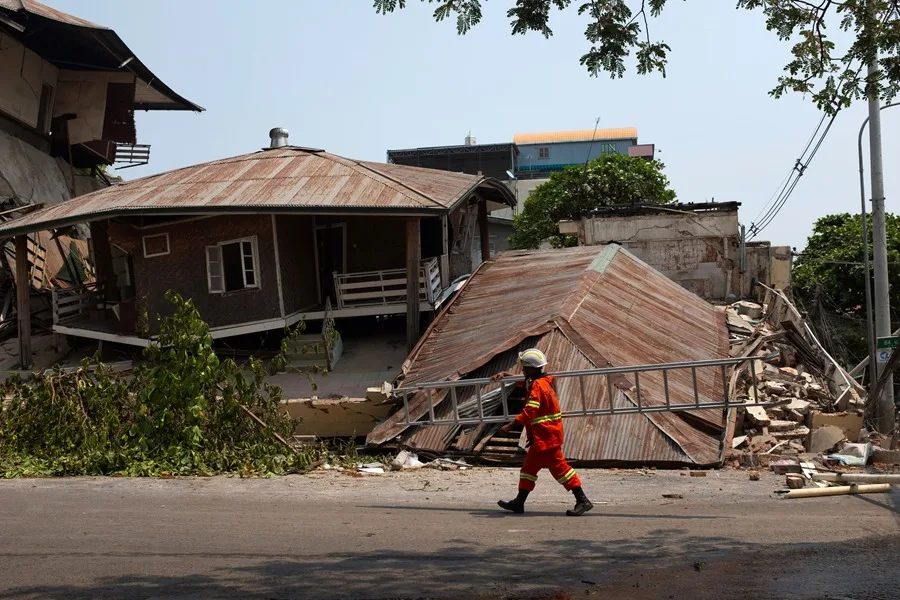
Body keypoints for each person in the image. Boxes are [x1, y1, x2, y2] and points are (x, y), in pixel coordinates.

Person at [492, 348, 593, 517]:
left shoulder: (538, 386)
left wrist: (510, 426)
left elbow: (530, 411)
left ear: (531, 368)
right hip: (543, 438)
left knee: (561, 470)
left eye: (524, 367)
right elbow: (524, 383)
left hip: (547, 438)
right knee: (528, 469)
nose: (522, 371)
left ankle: (582, 500)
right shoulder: (543, 381)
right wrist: (507, 375)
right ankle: (519, 502)